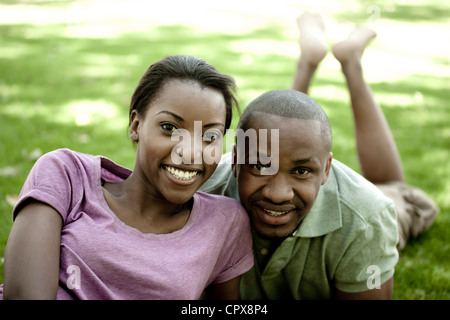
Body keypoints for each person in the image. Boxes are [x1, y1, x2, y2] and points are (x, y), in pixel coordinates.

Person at [199, 12, 439, 299]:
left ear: (328, 168)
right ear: (235, 161)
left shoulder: (366, 218)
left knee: (394, 187)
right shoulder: (201, 196)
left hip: (358, 203)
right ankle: (311, 62)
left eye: (302, 171)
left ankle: (351, 64)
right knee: (283, 124)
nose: (278, 194)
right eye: (261, 165)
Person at [0, 55, 254, 300]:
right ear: (136, 125)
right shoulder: (68, 174)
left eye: (209, 136)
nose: (189, 152)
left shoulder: (225, 223)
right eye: (169, 128)